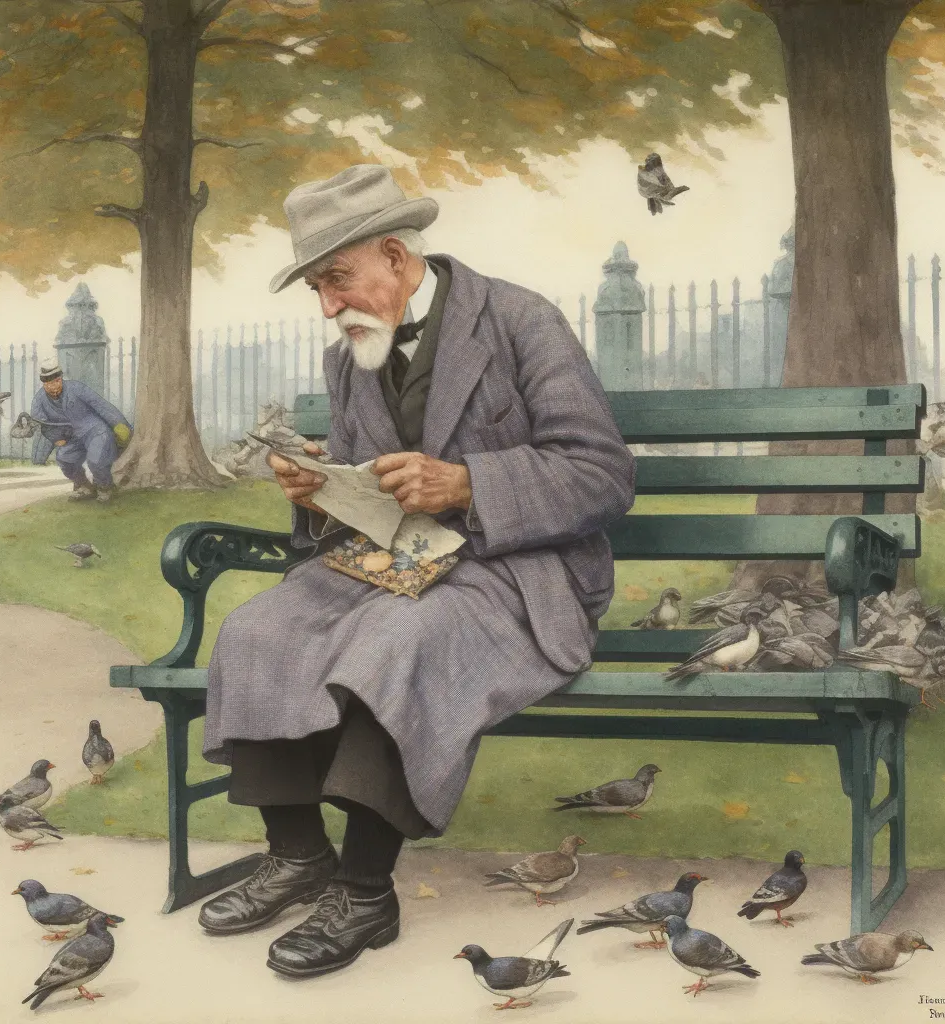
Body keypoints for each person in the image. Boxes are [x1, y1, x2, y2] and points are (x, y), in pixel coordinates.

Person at [200, 164, 636, 978]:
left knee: (396, 643)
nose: (328, 306)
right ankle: (298, 855)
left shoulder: (518, 320)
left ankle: (366, 891)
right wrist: (320, 492)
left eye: (336, 280)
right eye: (318, 289)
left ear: (396, 257)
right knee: (259, 626)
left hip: (518, 571)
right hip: (399, 560)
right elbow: (376, 498)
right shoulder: (351, 357)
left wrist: (469, 482)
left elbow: (604, 475)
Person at [30, 360, 132, 503]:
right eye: (49, 384)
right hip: (71, 437)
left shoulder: (76, 388)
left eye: (57, 381)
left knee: (96, 460)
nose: (54, 386)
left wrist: (119, 424)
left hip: (94, 430)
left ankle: (105, 487)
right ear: (44, 384)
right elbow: (42, 424)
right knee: (64, 458)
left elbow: (100, 405)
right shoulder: (39, 400)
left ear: (61, 379)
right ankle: (83, 486)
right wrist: (55, 438)